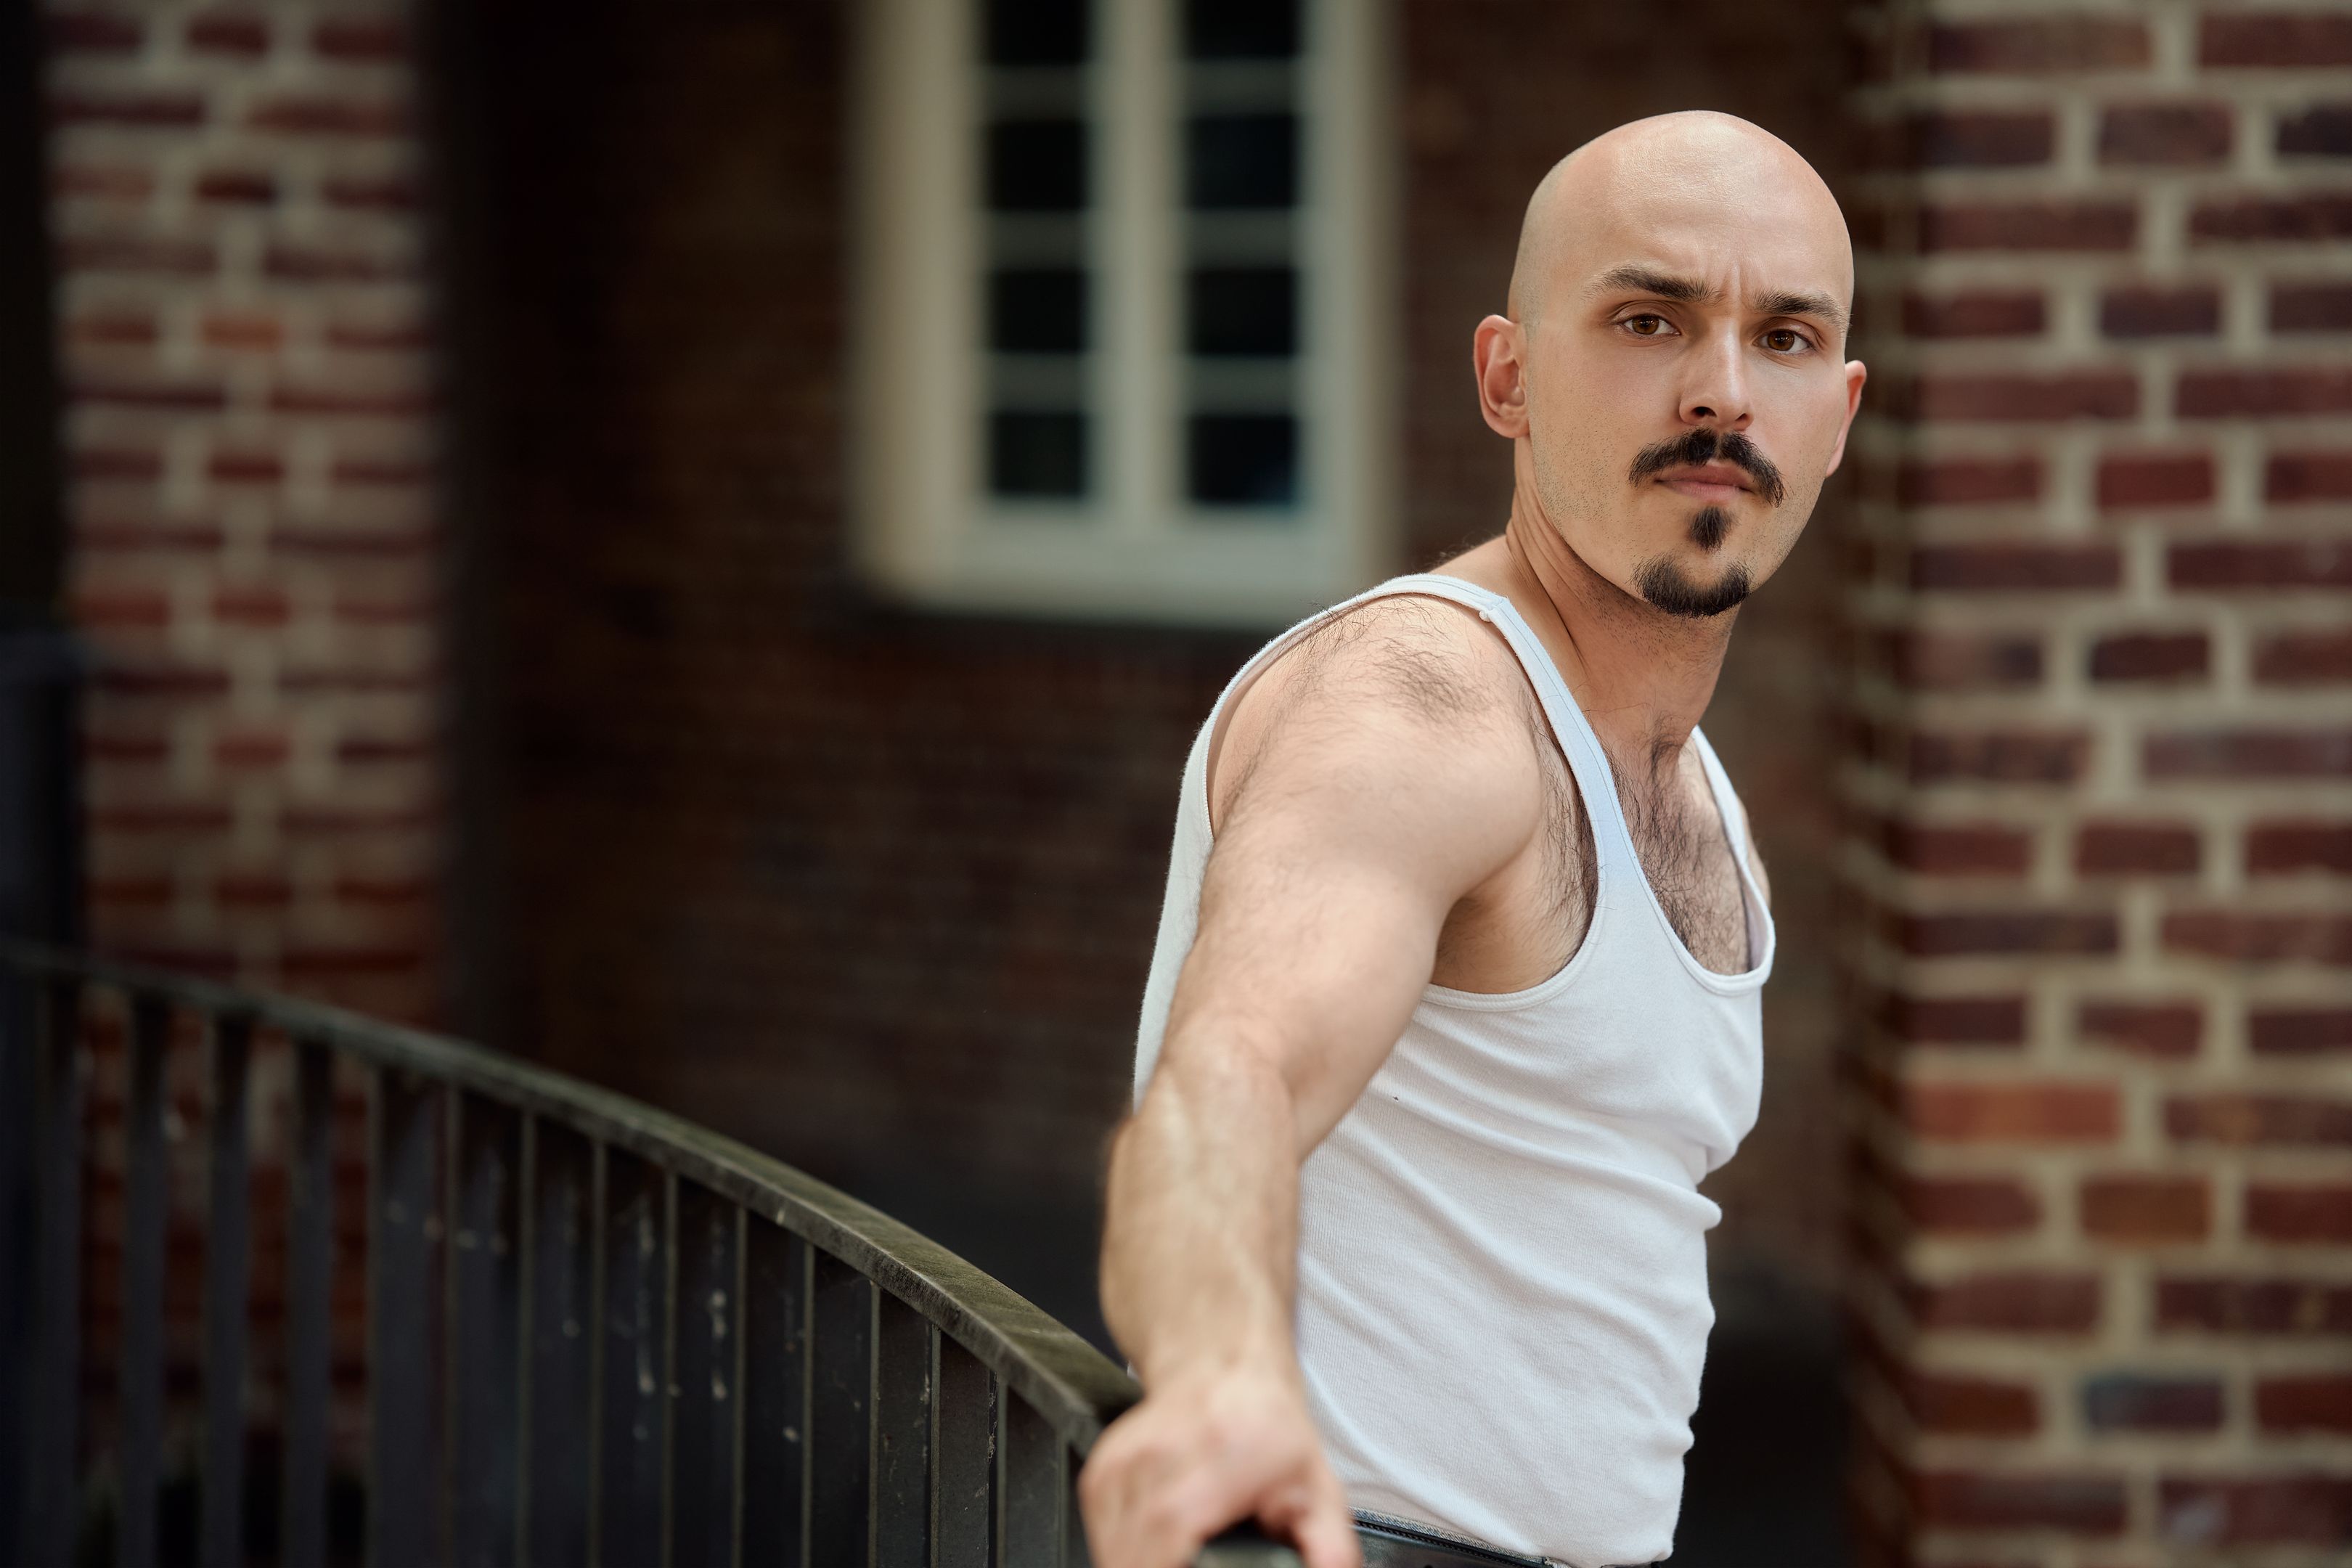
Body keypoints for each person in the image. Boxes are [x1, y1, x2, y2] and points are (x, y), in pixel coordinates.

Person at [1077, 112, 1868, 1568]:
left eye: (1786, 339)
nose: (1722, 391)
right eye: (1650, 319)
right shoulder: (1427, 699)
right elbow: (1232, 1073)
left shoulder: (1700, 798)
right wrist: (1220, 1380)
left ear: (1838, 415)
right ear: (1508, 378)